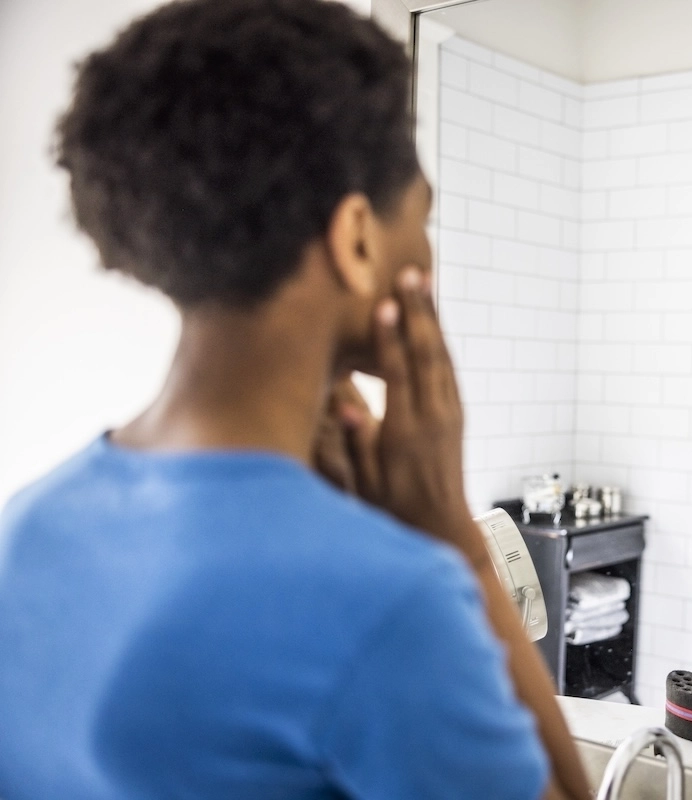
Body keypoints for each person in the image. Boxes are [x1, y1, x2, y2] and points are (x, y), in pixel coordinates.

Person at [0, 1, 590, 798]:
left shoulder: (28, 528)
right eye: (424, 216)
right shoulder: (391, 600)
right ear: (356, 240)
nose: (427, 250)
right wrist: (458, 544)